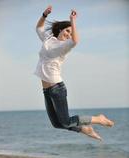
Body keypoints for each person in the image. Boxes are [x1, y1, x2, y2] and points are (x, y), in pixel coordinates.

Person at [35, 5, 114, 141]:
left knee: (65, 121)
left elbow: (75, 41)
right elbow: (39, 28)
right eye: (67, 31)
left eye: (71, 33)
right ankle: (85, 129)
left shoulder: (63, 47)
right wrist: (44, 15)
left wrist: (72, 20)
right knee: (57, 124)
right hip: (46, 90)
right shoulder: (49, 39)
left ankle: (98, 119)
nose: (68, 34)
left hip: (57, 88)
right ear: (60, 30)